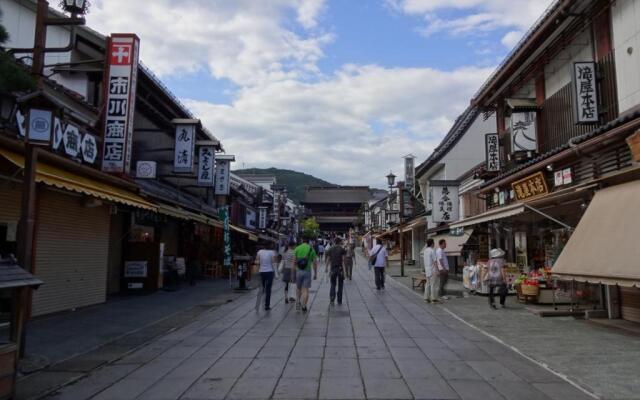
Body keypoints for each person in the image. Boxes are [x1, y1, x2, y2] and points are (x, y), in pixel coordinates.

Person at [294, 237, 318, 313]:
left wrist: (293, 272)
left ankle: (298, 302)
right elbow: (314, 263)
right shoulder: (312, 250)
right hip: (307, 271)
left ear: (302, 241)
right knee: (305, 290)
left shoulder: (297, 248)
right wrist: (315, 273)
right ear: (308, 242)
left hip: (298, 271)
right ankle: (304, 306)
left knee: (298, 288)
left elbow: (294, 262)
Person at [255, 245, 277, 311]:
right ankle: (267, 306)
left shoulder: (259, 252)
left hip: (262, 272)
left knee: (261, 289)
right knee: (268, 289)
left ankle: (257, 305)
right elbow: (274, 263)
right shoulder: (272, 252)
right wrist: (276, 274)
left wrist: (259, 266)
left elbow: (256, 261)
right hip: (270, 272)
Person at [326, 238, 347, 305]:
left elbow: (328, 260)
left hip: (333, 269)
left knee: (333, 284)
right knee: (340, 285)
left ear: (334, 242)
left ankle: (332, 299)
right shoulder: (342, 249)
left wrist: (326, 268)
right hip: (340, 269)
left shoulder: (330, 249)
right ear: (340, 242)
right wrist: (345, 271)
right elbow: (343, 261)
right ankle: (339, 300)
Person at [423, 239, 439, 303]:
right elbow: (435, 261)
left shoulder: (425, 251)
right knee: (433, 284)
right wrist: (437, 270)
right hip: (432, 270)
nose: (434, 244)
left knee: (428, 284)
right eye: (434, 243)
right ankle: (433, 298)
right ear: (432, 243)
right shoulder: (432, 251)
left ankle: (426, 298)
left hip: (427, 270)